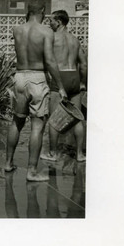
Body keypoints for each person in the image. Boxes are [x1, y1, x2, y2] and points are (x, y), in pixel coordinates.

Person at [4, 0, 67, 182]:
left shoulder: (17, 30)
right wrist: (60, 86)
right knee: (37, 126)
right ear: (43, 11)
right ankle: (32, 171)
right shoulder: (46, 31)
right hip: (37, 78)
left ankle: (8, 163)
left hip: (19, 77)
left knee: (16, 121)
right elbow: (49, 60)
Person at [41, 9, 87, 162]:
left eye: (51, 20)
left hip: (60, 77)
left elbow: (47, 61)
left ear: (59, 22)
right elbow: (84, 64)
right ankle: (80, 154)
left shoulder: (52, 38)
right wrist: (82, 83)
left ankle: (53, 154)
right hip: (74, 75)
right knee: (78, 119)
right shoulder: (75, 39)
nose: (49, 23)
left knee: (54, 120)